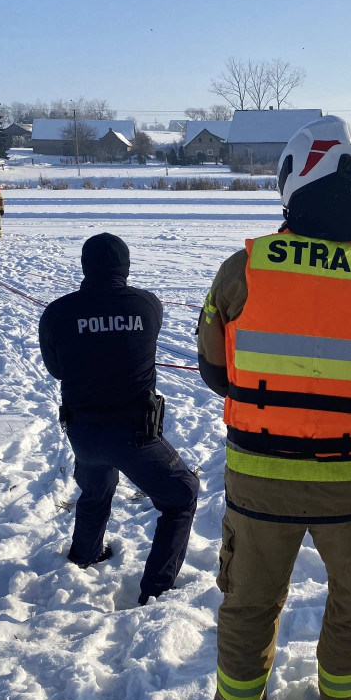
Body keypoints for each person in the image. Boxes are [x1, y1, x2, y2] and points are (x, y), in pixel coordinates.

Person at [197, 115, 351, 700]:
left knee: (250, 605)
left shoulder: (244, 269)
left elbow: (215, 370)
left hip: (260, 479)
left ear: (294, 183)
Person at [38, 233, 200, 606]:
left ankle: (85, 556)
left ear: (85, 267)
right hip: (134, 435)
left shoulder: (58, 312)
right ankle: (157, 590)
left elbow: (56, 370)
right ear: (124, 268)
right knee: (181, 495)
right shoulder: (147, 304)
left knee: (96, 490)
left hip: (82, 431)